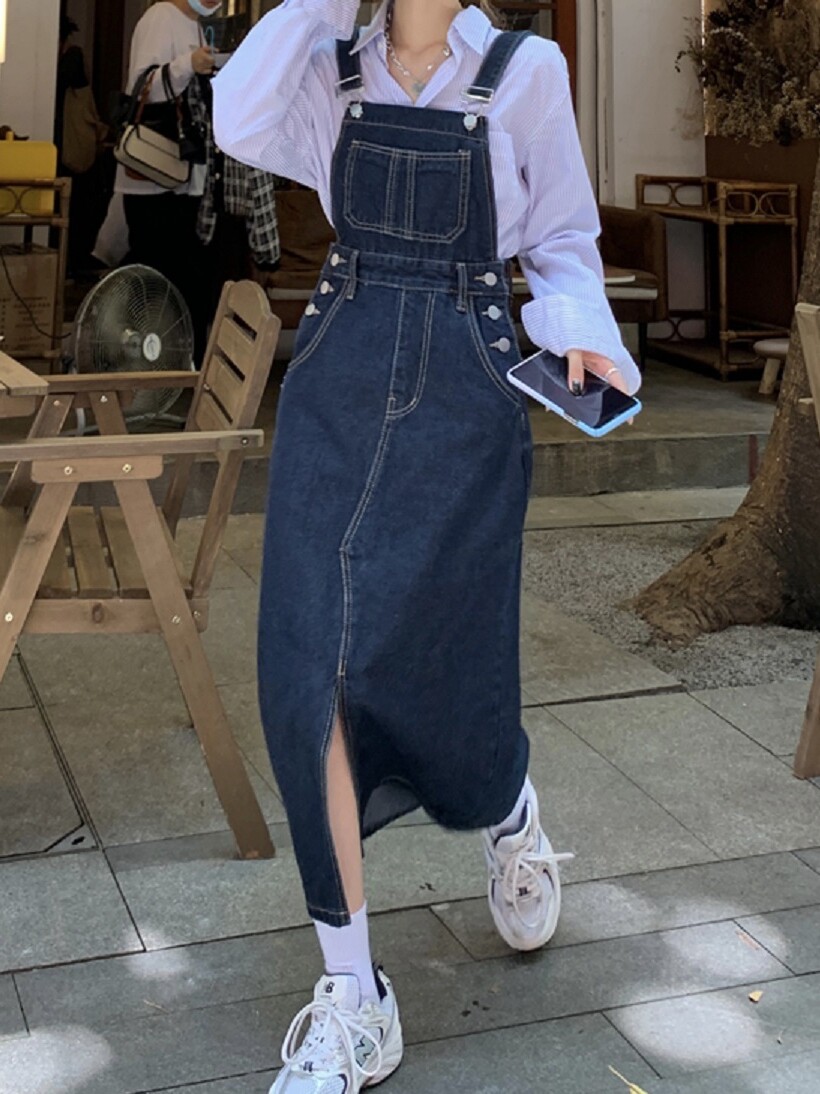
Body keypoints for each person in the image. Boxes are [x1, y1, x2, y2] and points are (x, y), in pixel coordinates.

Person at [214, 0, 641, 1090]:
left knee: (446, 660)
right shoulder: (330, 66)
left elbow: (561, 240)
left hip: (465, 394)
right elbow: (234, 118)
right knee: (307, 664)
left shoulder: (527, 69)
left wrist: (578, 335)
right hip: (338, 387)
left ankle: (506, 800)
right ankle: (354, 994)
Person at [115, 0, 223, 364]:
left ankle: (180, 367)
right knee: (158, 278)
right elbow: (142, 86)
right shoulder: (161, 16)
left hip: (183, 180)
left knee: (182, 281)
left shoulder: (195, 25)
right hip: (155, 178)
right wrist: (187, 65)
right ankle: (153, 366)